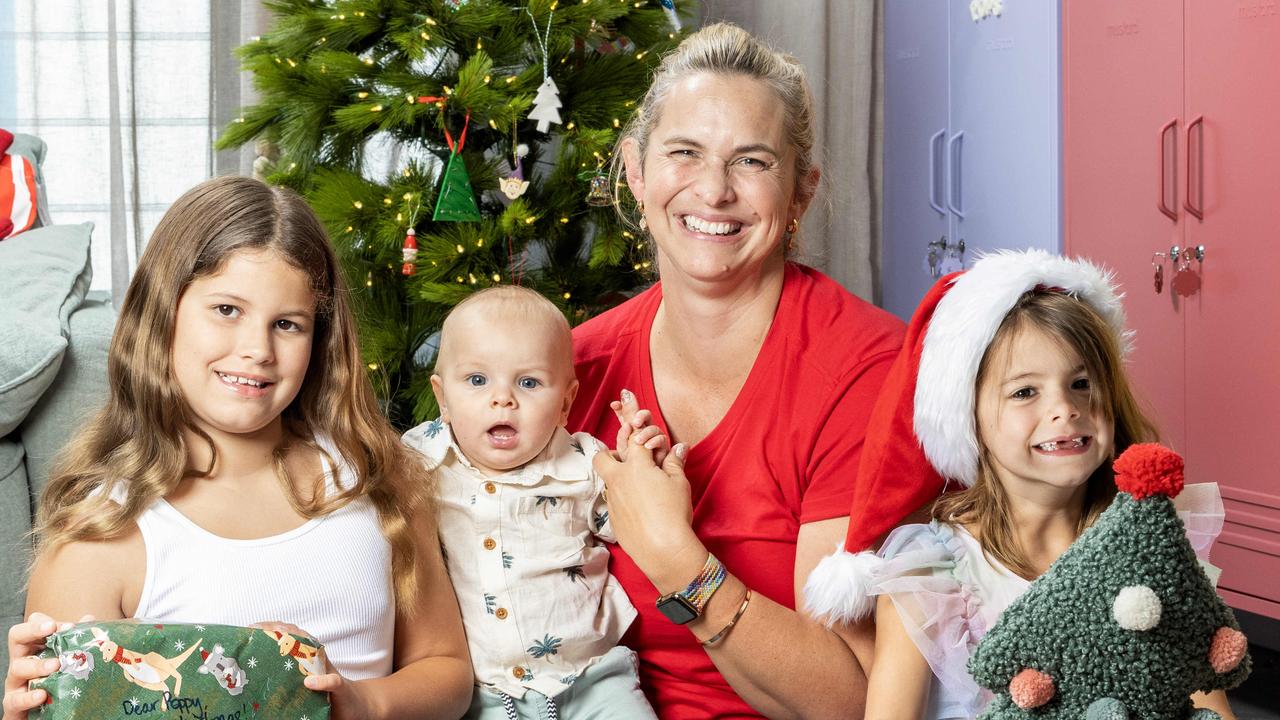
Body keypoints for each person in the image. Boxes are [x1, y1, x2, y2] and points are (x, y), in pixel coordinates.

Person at [567, 23, 939, 718]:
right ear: (636, 172)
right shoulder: (574, 368)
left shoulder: (868, 372)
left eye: (753, 162)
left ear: (800, 193)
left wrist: (678, 559)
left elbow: (855, 699)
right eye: (684, 153)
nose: (713, 190)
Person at [2, 176, 472, 720]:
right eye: (226, 310)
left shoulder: (373, 479)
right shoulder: (103, 532)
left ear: (318, 339)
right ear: (164, 314)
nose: (257, 350)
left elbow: (447, 670)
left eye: (288, 325)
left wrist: (361, 702)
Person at [802, 249, 1237, 719]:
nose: (1065, 408)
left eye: (1082, 383)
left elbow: (1204, 699)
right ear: (968, 420)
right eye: (1025, 392)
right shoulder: (933, 575)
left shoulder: (1147, 545)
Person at [401, 286, 660, 719]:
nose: (503, 398)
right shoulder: (421, 460)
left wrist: (639, 471)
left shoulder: (584, 462)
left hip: (591, 681)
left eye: (529, 382)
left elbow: (634, 526)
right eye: (478, 380)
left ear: (565, 403)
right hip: (481, 693)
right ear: (443, 398)